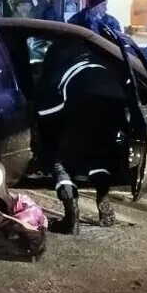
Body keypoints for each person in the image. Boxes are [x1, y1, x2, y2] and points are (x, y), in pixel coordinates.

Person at [35, 37, 128, 233]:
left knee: (60, 162)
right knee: (98, 160)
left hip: (80, 111)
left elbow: (48, 113)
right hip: (113, 111)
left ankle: (71, 218)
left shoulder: (58, 71)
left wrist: (41, 132)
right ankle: (104, 202)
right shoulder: (99, 63)